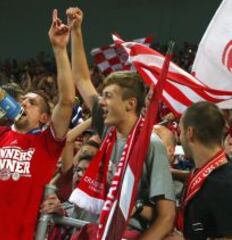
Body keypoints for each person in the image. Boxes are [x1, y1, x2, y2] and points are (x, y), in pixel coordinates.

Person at [0, 9, 76, 240]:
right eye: (22, 100)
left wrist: (59, 50)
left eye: (31, 103)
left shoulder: (47, 143)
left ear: (44, 118)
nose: (23, 103)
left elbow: (67, 100)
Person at [67, 7, 176, 239]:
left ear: (130, 104)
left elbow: (166, 217)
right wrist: (76, 32)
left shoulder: (151, 144)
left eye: (108, 96)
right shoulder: (109, 130)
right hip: (100, 230)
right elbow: (81, 79)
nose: (101, 102)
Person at [176, 102, 232, 239]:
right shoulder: (206, 174)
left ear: (190, 133)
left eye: (180, 132)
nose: (179, 137)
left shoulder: (224, 185)